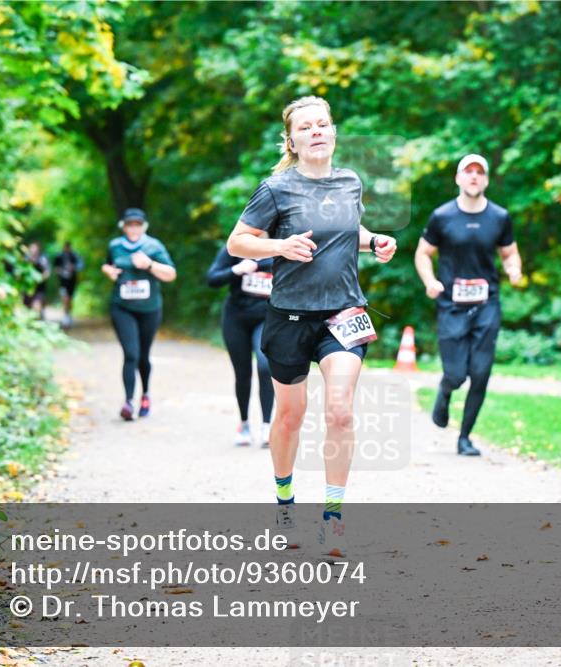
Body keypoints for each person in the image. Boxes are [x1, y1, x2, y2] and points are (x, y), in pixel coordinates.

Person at [226, 96, 397, 557]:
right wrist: (280, 247)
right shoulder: (276, 189)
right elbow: (238, 242)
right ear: (293, 140)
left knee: (340, 411)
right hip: (288, 316)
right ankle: (285, 503)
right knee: (290, 416)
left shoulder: (350, 182)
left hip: (343, 313)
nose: (317, 131)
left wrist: (375, 240)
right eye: (306, 127)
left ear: (333, 133)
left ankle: (333, 519)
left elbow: (348, 231)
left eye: (323, 124)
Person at [414, 154, 523, 456]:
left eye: (480, 172)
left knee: (481, 371)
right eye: (468, 171)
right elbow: (423, 253)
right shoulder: (442, 216)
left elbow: (510, 253)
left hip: (487, 304)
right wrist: (430, 281)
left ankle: (465, 437)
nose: (474, 176)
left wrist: (514, 269)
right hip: (451, 305)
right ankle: (445, 391)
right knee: (456, 373)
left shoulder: (500, 217)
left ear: (486, 180)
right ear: (458, 178)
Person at [101, 208, 177, 421]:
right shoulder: (115, 246)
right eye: (129, 224)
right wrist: (108, 270)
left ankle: (145, 395)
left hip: (149, 309)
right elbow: (107, 264)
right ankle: (128, 402)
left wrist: (150, 264)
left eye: (137, 224)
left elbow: (171, 274)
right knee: (131, 353)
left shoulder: (153, 246)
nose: (133, 228)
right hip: (122, 307)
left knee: (143, 355)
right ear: (123, 226)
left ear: (144, 226)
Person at [206, 245, 275, 447]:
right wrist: (237, 269)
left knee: (264, 365)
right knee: (242, 372)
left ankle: (267, 426)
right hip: (236, 319)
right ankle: (244, 424)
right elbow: (212, 278)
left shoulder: (280, 245)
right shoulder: (235, 247)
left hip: (266, 318)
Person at [54, 242, 83, 329]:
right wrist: (60, 271)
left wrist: (73, 267)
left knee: (69, 299)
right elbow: (56, 267)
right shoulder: (59, 256)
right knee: (65, 298)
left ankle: (68, 315)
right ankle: (65, 316)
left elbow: (81, 265)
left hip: (72, 281)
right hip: (62, 282)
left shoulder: (75, 256)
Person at [23, 241, 50, 320]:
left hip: (39, 288)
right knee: (27, 308)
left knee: (36, 306)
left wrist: (40, 279)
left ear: (38, 249)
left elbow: (47, 272)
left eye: (35, 248)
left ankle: (38, 321)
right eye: (31, 248)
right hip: (27, 288)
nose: (33, 250)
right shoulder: (25, 259)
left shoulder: (43, 259)